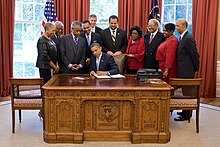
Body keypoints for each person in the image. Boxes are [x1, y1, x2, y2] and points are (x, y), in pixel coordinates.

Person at [174, 19, 200, 121]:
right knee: (185, 92)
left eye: (178, 26)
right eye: (176, 26)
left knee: (188, 93)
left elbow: (195, 55)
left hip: (187, 71)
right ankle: (185, 111)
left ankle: (186, 115)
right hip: (183, 70)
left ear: (184, 26)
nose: (176, 28)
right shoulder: (182, 37)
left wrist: (195, 68)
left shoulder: (188, 38)